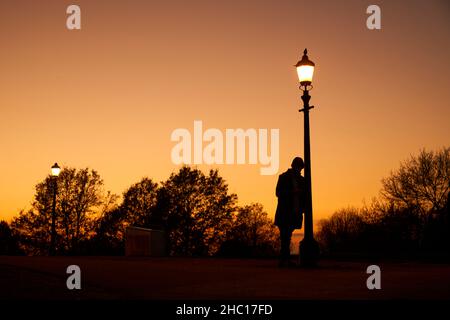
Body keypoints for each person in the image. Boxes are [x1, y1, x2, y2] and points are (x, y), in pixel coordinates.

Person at [274, 157, 306, 267]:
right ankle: (284, 260)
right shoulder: (283, 177)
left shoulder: (302, 180)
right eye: (298, 167)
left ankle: (285, 260)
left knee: (287, 236)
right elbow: (278, 193)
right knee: (285, 236)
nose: (299, 169)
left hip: (294, 212)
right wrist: (292, 192)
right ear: (294, 166)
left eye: (300, 168)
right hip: (284, 212)